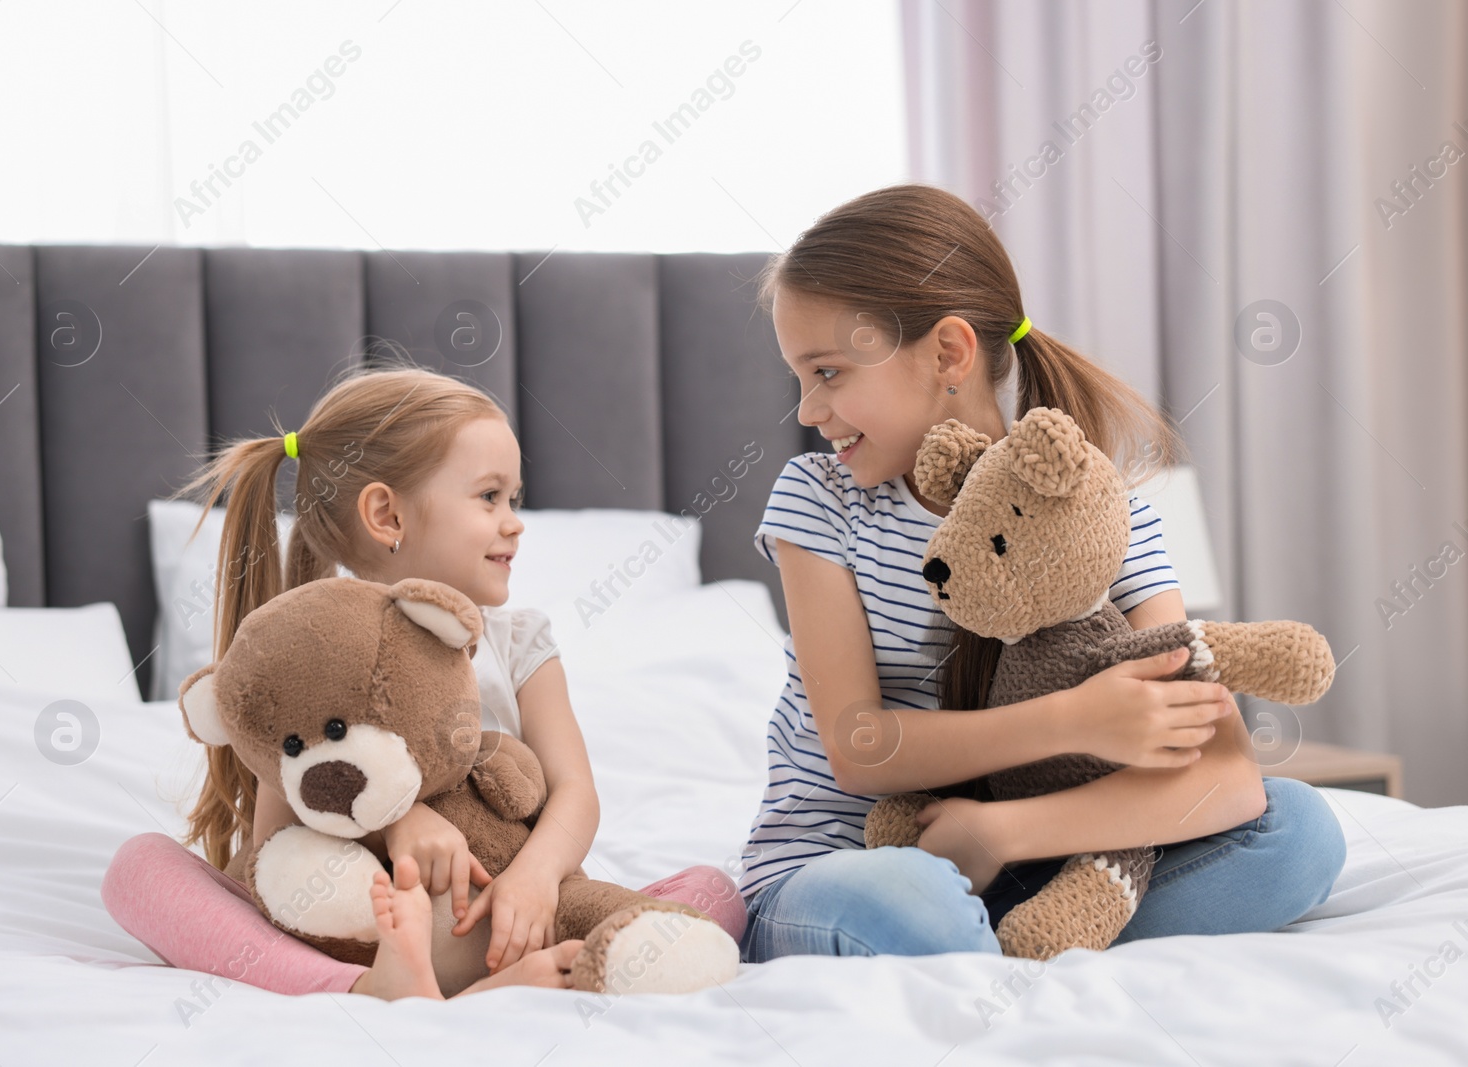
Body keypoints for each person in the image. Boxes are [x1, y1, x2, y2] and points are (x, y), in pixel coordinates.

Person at [736, 183, 1346, 963]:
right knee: (912, 902)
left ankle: (1019, 943)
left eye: (826, 372)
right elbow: (858, 747)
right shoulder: (819, 503)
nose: (807, 410)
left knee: (1298, 832)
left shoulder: (1108, 514)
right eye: (800, 376)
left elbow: (1228, 777)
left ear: (948, 353)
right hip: (845, 863)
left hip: (1030, 865)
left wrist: (999, 833)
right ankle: (994, 948)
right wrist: (1078, 721)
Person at [103, 366, 745, 1000]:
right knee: (139, 869)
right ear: (387, 514)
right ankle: (364, 988)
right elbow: (279, 837)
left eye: (514, 498)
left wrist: (535, 880)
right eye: (489, 496)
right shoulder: (314, 651)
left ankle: (539, 969)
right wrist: (396, 821)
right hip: (366, 928)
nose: (515, 521)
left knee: (716, 891)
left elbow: (575, 789)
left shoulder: (517, 642)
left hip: (506, 912)